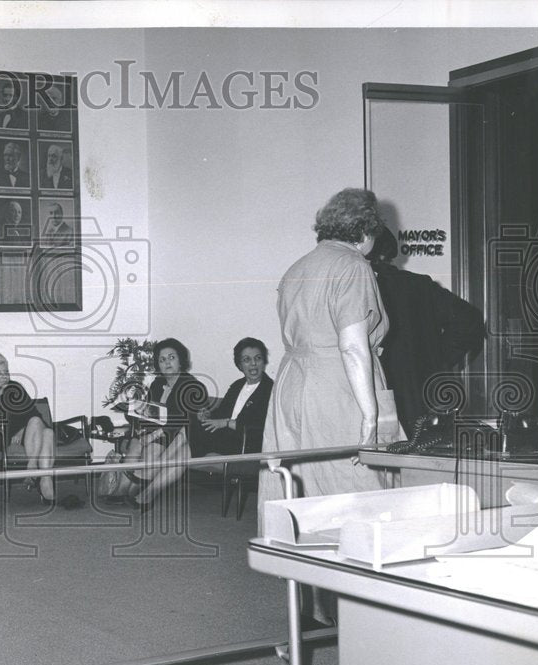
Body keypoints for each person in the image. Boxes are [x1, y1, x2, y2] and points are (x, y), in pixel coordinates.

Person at [258, 188, 401, 626]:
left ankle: (316, 607)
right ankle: (364, 617)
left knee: (304, 490)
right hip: (338, 384)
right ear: (366, 231)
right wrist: (370, 413)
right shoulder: (352, 265)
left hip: (293, 385)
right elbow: (354, 347)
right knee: (361, 493)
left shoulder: (298, 266)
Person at [367, 225, 486, 433]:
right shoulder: (418, 285)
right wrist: (437, 359)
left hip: (380, 396)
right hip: (422, 399)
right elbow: (470, 320)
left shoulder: (362, 285)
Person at [122, 338, 207, 511]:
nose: (167, 362)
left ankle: (138, 485)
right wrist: (135, 409)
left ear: (181, 360)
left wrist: (153, 435)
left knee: (152, 448)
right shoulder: (158, 383)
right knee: (136, 443)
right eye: (162, 360)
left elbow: (183, 420)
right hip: (158, 432)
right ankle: (123, 490)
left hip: (178, 435)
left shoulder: (192, 385)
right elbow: (149, 411)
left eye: (171, 357)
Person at [0, 352, 55, 501]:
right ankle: (42, 478)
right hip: (1, 437)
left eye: (6, 372)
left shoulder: (15, 387)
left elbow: (34, 413)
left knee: (46, 430)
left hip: (26, 434)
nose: (4, 376)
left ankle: (39, 472)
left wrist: (21, 431)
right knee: (46, 432)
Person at [190, 337, 274, 457]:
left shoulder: (270, 390)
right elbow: (220, 413)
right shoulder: (237, 385)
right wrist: (207, 415)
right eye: (247, 360)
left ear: (264, 361)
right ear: (239, 365)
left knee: (185, 443)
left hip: (243, 445)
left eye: (258, 358)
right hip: (223, 439)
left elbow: (259, 428)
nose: (253, 364)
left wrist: (227, 423)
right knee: (188, 427)